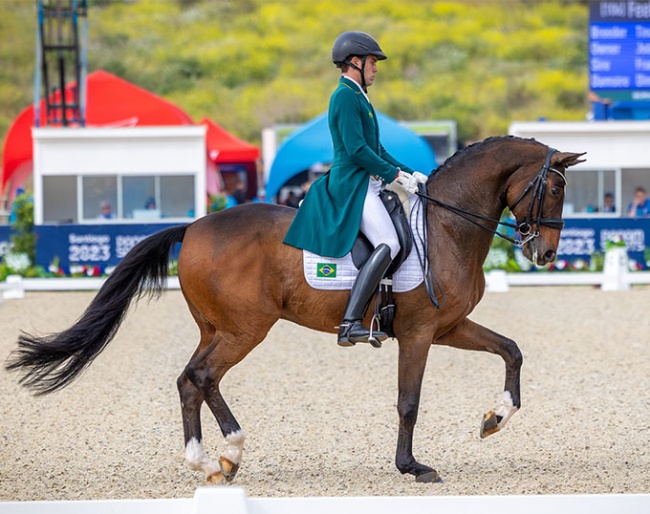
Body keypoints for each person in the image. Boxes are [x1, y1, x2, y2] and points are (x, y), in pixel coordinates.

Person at [283, 31, 426, 347]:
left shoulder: (360, 95)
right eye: (373, 62)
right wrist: (394, 176)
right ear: (354, 62)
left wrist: (409, 173)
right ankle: (350, 322)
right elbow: (357, 150)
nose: (376, 68)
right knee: (389, 242)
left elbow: (377, 148)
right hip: (353, 185)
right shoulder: (345, 96)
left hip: (369, 182)